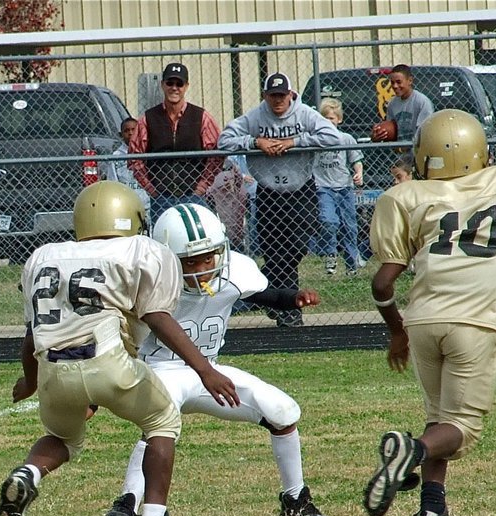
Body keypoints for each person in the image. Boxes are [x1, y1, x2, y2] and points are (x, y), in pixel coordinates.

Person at [0, 182, 239, 516]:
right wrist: (205, 370)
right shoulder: (141, 249)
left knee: (64, 437)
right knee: (163, 420)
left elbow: (31, 337)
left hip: (53, 370)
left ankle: (29, 473)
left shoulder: (44, 256)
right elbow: (157, 317)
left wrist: (29, 382)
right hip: (107, 360)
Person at [362, 109, 496, 516]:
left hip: (422, 320)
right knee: (461, 428)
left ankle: (433, 513)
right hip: (474, 321)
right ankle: (411, 452)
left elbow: (382, 283)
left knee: (440, 417)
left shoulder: (410, 197)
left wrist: (396, 328)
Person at [98, 202, 327, 516]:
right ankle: (128, 503)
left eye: (209, 257)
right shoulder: (146, 280)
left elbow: (264, 294)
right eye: (190, 261)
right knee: (160, 424)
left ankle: (296, 499)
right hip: (159, 370)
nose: (203, 268)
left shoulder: (233, 272)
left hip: (209, 371)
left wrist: (293, 298)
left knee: (283, 411)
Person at [217, 72, 340, 327]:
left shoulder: (304, 113)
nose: (278, 101)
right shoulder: (255, 116)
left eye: (282, 95)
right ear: (265, 96)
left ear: (291, 95)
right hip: (269, 192)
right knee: (275, 253)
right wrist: (255, 142)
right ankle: (289, 310)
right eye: (273, 96)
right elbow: (224, 140)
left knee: (296, 247)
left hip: (301, 190)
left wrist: (293, 142)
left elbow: (332, 137)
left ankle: (269, 295)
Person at [129, 62, 222, 224]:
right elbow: (134, 157)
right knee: (164, 243)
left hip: (193, 195)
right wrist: (151, 189)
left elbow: (217, 154)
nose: (174, 88)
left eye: (179, 83)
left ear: (186, 86)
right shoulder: (148, 119)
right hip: (161, 197)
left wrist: (202, 186)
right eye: (170, 83)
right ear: (163, 85)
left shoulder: (201, 117)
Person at [313, 98, 364, 276]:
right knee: (328, 221)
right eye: (325, 118)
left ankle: (351, 265)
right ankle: (330, 254)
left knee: (349, 226)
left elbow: (356, 160)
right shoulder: (316, 140)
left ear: (339, 120)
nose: (329, 122)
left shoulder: (346, 139)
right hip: (323, 187)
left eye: (332, 119)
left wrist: (359, 172)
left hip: (344, 187)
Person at [371, 64, 435, 143]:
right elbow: (391, 130)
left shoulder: (422, 102)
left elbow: (425, 133)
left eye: (398, 82)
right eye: (392, 82)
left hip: (418, 152)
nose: (395, 86)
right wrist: (379, 134)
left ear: (410, 80)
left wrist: (409, 146)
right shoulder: (392, 104)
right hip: (400, 153)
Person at [106, 116, 150, 208]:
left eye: (134, 130)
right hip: (126, 204)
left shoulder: (148, 152)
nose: (130, 133)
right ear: (121, 134)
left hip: (147, 203)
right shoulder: (116, 157)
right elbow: (113, 181)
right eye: (126, 131)